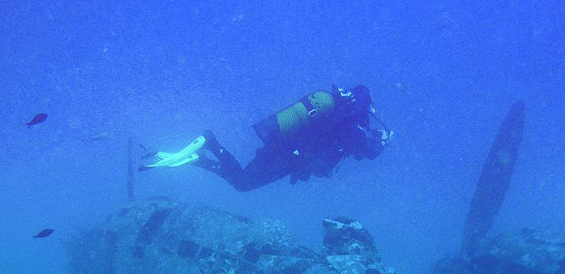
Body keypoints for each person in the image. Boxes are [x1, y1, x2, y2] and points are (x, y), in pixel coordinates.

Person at [140, 85, 392, 192]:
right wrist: (382, 139)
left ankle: (200, 157)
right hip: (288, 155)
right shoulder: (352, 121)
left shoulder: (338, 111)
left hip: (282, 148)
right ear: (364, 104)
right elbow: (365, 152)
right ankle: (210, 144)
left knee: (243, 183)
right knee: (243, 184)